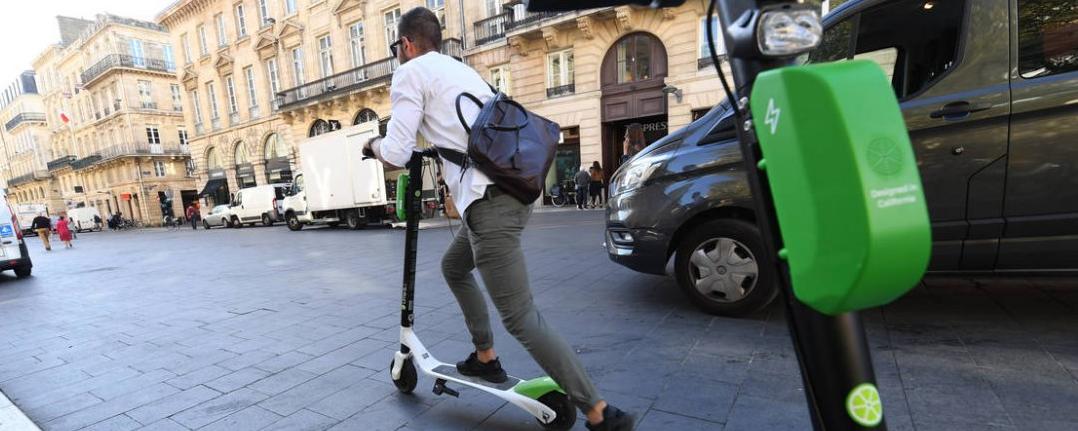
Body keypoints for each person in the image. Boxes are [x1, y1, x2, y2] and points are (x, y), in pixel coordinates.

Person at [362, 7, 633, 430]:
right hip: (510, 192)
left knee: (520, 316)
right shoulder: (459, 70)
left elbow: (395, 152)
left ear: (408, 44)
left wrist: (372, 144)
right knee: (454, 266)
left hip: (489, 207)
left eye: (398, 45)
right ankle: (485, 356)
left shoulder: (410, 73)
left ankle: (599, 411)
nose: (399, 52)